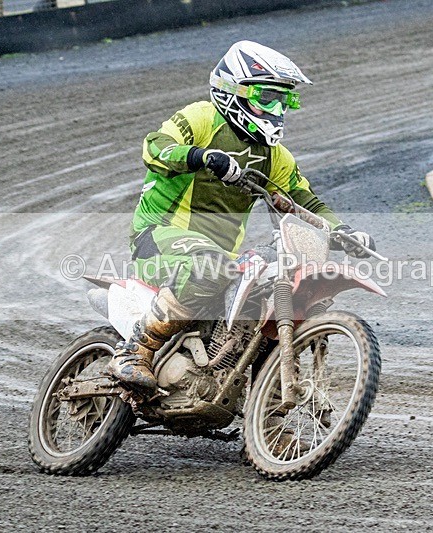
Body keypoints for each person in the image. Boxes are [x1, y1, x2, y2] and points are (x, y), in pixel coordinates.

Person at [108, 40, 375, 392]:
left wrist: (344, 231)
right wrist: (201, 157)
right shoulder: (201, 118)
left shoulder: (274, 156)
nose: (277, 108)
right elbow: (155, 147)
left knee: (269, 294)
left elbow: (303, 199)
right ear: (234, 90)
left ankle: (271, 418)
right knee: (212, 266)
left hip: (221, 255)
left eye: (284, 100)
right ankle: (134, 351)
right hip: (159, 234)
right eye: (267, 97)